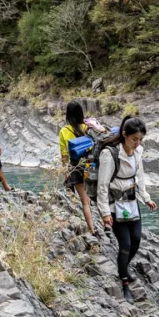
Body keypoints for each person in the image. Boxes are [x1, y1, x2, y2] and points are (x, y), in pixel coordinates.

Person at [95, 115, 157, 301]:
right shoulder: (110, 154)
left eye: (140, 139)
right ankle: (124, 283)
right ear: (124, 135)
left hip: (131, 203)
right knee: (125, 245)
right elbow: (102, 185)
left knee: (136, 240)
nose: (137, 143)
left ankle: (123, 268)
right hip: (115, 205)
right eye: (134, 139)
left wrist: (146, 198)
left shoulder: (138, 152)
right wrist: (105, 213)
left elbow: (140, 177)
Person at [59, 100, 98, 233]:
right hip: (90, 165)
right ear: (81, 113)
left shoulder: (64, 131)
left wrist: (65, 172)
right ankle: (107, 224)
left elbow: (64, 155)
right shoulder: (88, 128)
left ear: (68, 115)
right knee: (96, 197)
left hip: (75, 167)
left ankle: (92, 230)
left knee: (85, 201)